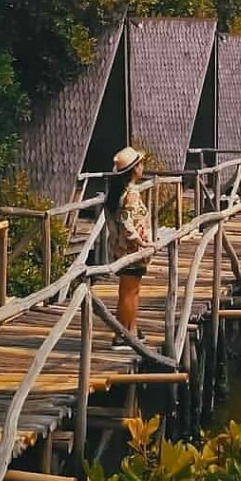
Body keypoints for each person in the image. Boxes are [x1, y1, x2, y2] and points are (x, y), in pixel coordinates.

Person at [105, 146, 152, 347]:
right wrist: (142, 242)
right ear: (134, 169)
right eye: (140, 164)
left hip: (121, 248)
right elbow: (126, 223)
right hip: (132, 249)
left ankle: (130, 329)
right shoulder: (131, 193)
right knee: (128, 291)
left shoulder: (118, 193)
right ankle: (123, 333)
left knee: (130, 290)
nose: (143, 167)